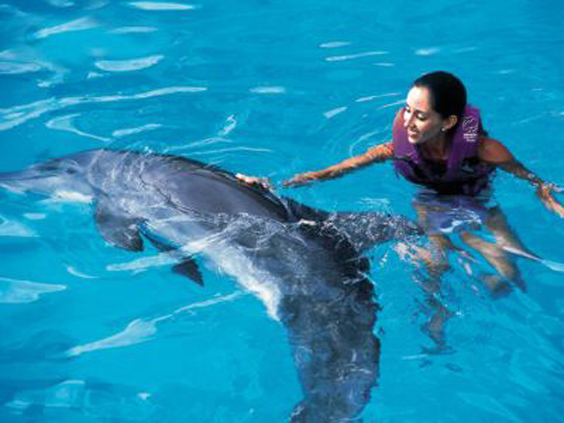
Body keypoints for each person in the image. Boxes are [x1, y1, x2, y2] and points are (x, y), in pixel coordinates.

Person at [238, 71, 563, 292]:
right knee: (435, 269)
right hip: (430, 201)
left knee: (509, 270)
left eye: (420, 116)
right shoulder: (395, 148)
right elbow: (331, 172)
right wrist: (274, 185)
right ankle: (437, 327)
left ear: (448, 121)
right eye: (407, 110)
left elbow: (531, 178)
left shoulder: (486, 150)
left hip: (477, 197)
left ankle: (478, 261)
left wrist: (545, 192)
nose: (407, 122)